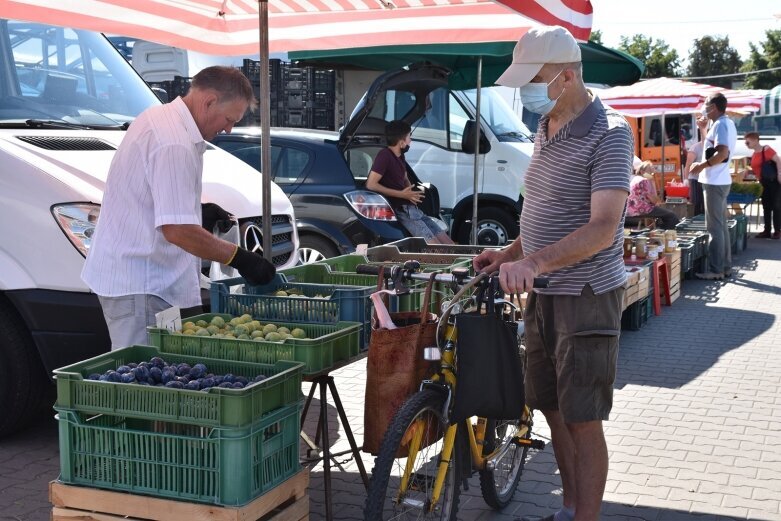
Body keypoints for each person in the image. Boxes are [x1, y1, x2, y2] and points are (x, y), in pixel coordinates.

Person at [474, 25, 633, 521]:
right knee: (551, 406)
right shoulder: (547, 127)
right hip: (542, 292)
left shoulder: (610, 133)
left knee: (584, 418)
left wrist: (535, 262)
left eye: (533, 80)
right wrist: (511, 254)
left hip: (584, 294)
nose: (525, 92)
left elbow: (603, 228)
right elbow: (541, 209)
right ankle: (568, 508)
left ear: (566, 76)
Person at [82, 66, 276, 349]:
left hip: (144, 280)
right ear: (209, 101)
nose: (228, 128)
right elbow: (178, 231)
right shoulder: (174, 142)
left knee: (158, 375)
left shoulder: (161, 118)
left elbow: (155, 195)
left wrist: (197, 210)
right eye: (229, 118)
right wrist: (240, 258)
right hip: (142, 283)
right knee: (142, 383)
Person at [366, 120, 454, 244]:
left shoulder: (400, 156)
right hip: (403, 210)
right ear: (401, 142)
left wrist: (411, 193)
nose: (410, 141)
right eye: (409, 137)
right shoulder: (384, 155)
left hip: (413, 209)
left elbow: (405, 177)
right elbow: (371, 184)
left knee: (448, 243)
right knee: (435, 247)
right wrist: (402, 194)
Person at [688, 93, 737, 280]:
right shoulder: (726, 123)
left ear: (714, 107)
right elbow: (713, 148)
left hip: (715, 182)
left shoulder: (721, 124)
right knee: (721, 226)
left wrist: (701, 166)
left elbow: (722, 153)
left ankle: (717, 270)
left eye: (706, 105)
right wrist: (704, 129)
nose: (704, 108)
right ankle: (724, 267)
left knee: (715, 228)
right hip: (720, 181)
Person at [744, 131, 781, 239]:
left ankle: (778, 231)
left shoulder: (766, 149)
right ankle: (767, 230)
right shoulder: (754, 153)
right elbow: (758, 168)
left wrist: (779, 174)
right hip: (763, 182)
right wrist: (750, 172)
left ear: (755, 140)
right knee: (766, 206)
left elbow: (778, 160)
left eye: (747, 142)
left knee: (776, 206)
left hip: (773, 181)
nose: (746, 144)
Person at [627, 160, 680, 229]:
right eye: (650, 171)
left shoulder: (635, 179)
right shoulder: (644, 180)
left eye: (652, 171)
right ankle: (660, 234)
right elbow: (654, 200)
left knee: (663, 215)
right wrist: (652, 182)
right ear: (642, 172)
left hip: (631, 209)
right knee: (672, 216)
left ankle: (654, 231)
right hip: (642, 209)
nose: (652, 173)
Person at [683, 116, 709, 215]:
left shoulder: (712, 146)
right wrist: (686, 180)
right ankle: (697, 220)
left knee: (705, 203)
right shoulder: (695, 148)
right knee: (697, 203)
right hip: (695, 179)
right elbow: (688, 165)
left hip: (706, 179)